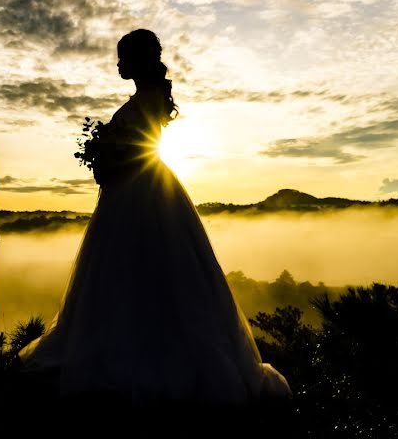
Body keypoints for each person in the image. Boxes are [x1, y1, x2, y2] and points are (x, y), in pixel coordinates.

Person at [18, 29, 292, 404]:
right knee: (134, 277)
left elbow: (141, 150)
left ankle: (144, 362)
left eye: (122, 57)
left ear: (137, 59)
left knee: (144, 274)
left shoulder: (146, 99)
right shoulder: (146, 97)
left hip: (141, 194)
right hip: (139, 192)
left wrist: (108, 161)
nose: (117, 64)